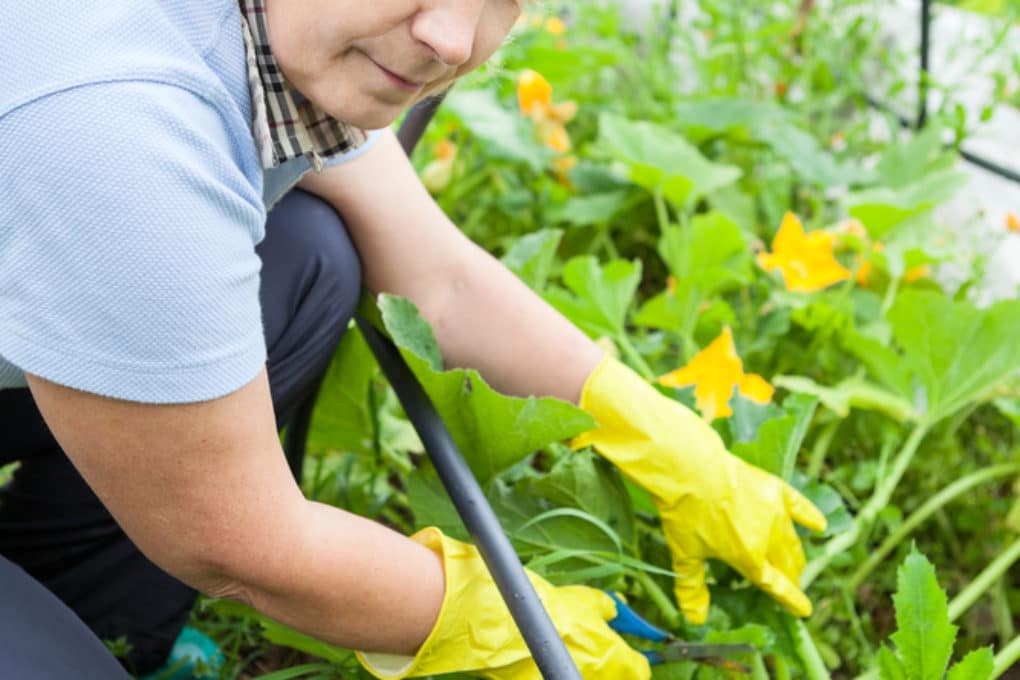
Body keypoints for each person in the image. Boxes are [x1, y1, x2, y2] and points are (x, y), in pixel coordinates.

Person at [0, 1, 826, 677]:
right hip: (84, 189)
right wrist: (501, 622)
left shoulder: (275, 36)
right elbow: (239, 543)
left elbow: (442, 279)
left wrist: (656, 434)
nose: (453, 38)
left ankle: (73, 610)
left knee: (310, 259)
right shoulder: (119, 116)